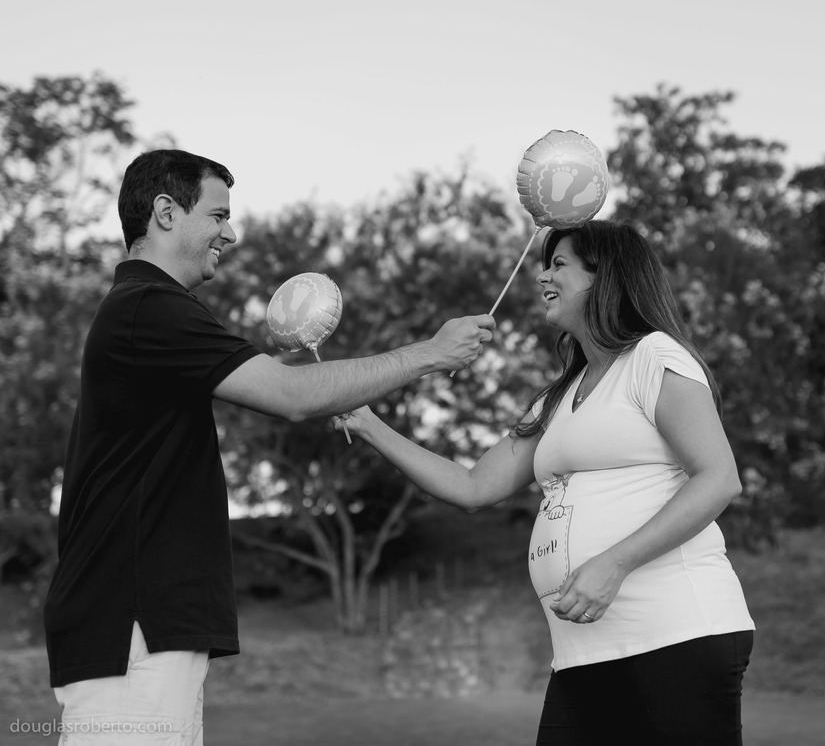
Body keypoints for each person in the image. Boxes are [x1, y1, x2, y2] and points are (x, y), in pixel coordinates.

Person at [42, 149, 494, 745]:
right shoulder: (150, 307)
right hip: (133, 627)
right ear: (166, 212)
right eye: (218, 214)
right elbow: (292, 397)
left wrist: (278, 360)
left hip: (140, 630)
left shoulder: (144, 310)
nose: (230, 233)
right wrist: (428, 354)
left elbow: (267, 380)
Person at [338, 219, 755, 745]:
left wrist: (613, 562)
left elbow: (719, 479)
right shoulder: (558, 396)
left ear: (605, 277)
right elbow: (471, 487)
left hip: (676, 633)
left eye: (558, 264)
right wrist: (369, 424)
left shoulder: (655, 356)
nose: (542, 277)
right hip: (583, 653)